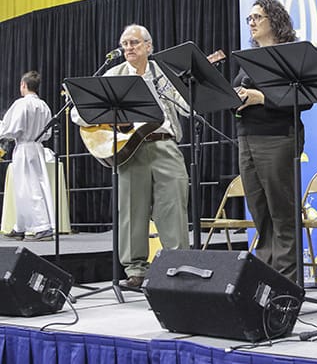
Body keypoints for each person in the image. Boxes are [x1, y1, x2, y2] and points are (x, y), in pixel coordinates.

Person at [71, 24, 190, 288]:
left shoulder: (164, 74)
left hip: (164, 145)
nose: (128, 48)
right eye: (124, 44)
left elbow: (188, 109)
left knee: (172, 207)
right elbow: (77, 113)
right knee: (131, 210)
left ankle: (177, 266)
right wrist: (108, 119)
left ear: (149, 46)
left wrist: (188, 85)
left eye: (134, 43)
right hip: (129, 150)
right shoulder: (114, 74)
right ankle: (136, 271)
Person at [234, 0, 308, 280]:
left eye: (257, 17)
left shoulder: (288, 55)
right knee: (260, 214)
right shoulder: (249, 59)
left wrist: (260, 98)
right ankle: (265, 277)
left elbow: (304, 100)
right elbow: (235, 92)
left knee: (282, 213)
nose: (251, 23)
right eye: (249, 18)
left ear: (274, 21)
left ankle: (286, 283)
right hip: (247, 139)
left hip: (278, 138)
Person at [0, 71, 54, 241]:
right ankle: (20, 226)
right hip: (37, 147)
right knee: (26, 187)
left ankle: (42, 227)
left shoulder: (21, 104)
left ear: (23, 85)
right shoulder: (44, 105)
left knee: (29, 188)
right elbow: (48, 133)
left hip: (24, 148)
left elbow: (11, 129)